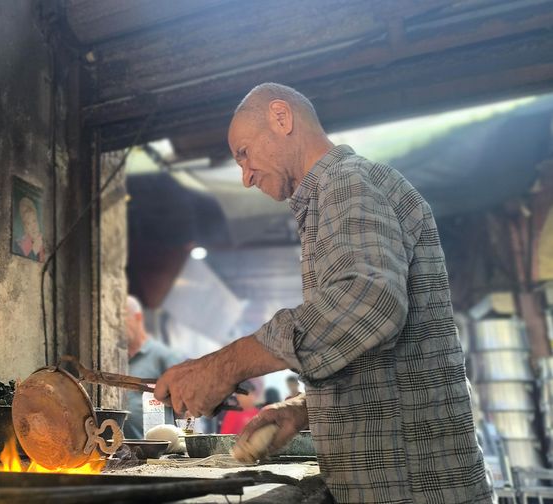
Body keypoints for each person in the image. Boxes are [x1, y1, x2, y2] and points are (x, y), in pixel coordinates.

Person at [153, 83, 491, 503]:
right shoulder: (336, 193)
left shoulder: (346, 182)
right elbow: (374, 357)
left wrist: (226, 365)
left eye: (244, 153)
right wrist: (300, 408)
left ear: (281, 118)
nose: (245, 177)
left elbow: (371, 302)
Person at [122, 295, 184, 439]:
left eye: (122, 322)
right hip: (122, 451)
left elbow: (183, 406)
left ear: (137, 318)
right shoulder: (115, 359)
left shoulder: (163, 356)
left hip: (159, 452)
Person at [16, 197, 44, 261]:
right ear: (25, 228)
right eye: (28, 224)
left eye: (34, 221)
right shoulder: (20, 246)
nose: (33, 227)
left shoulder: (47, 242)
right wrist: (34, 251)